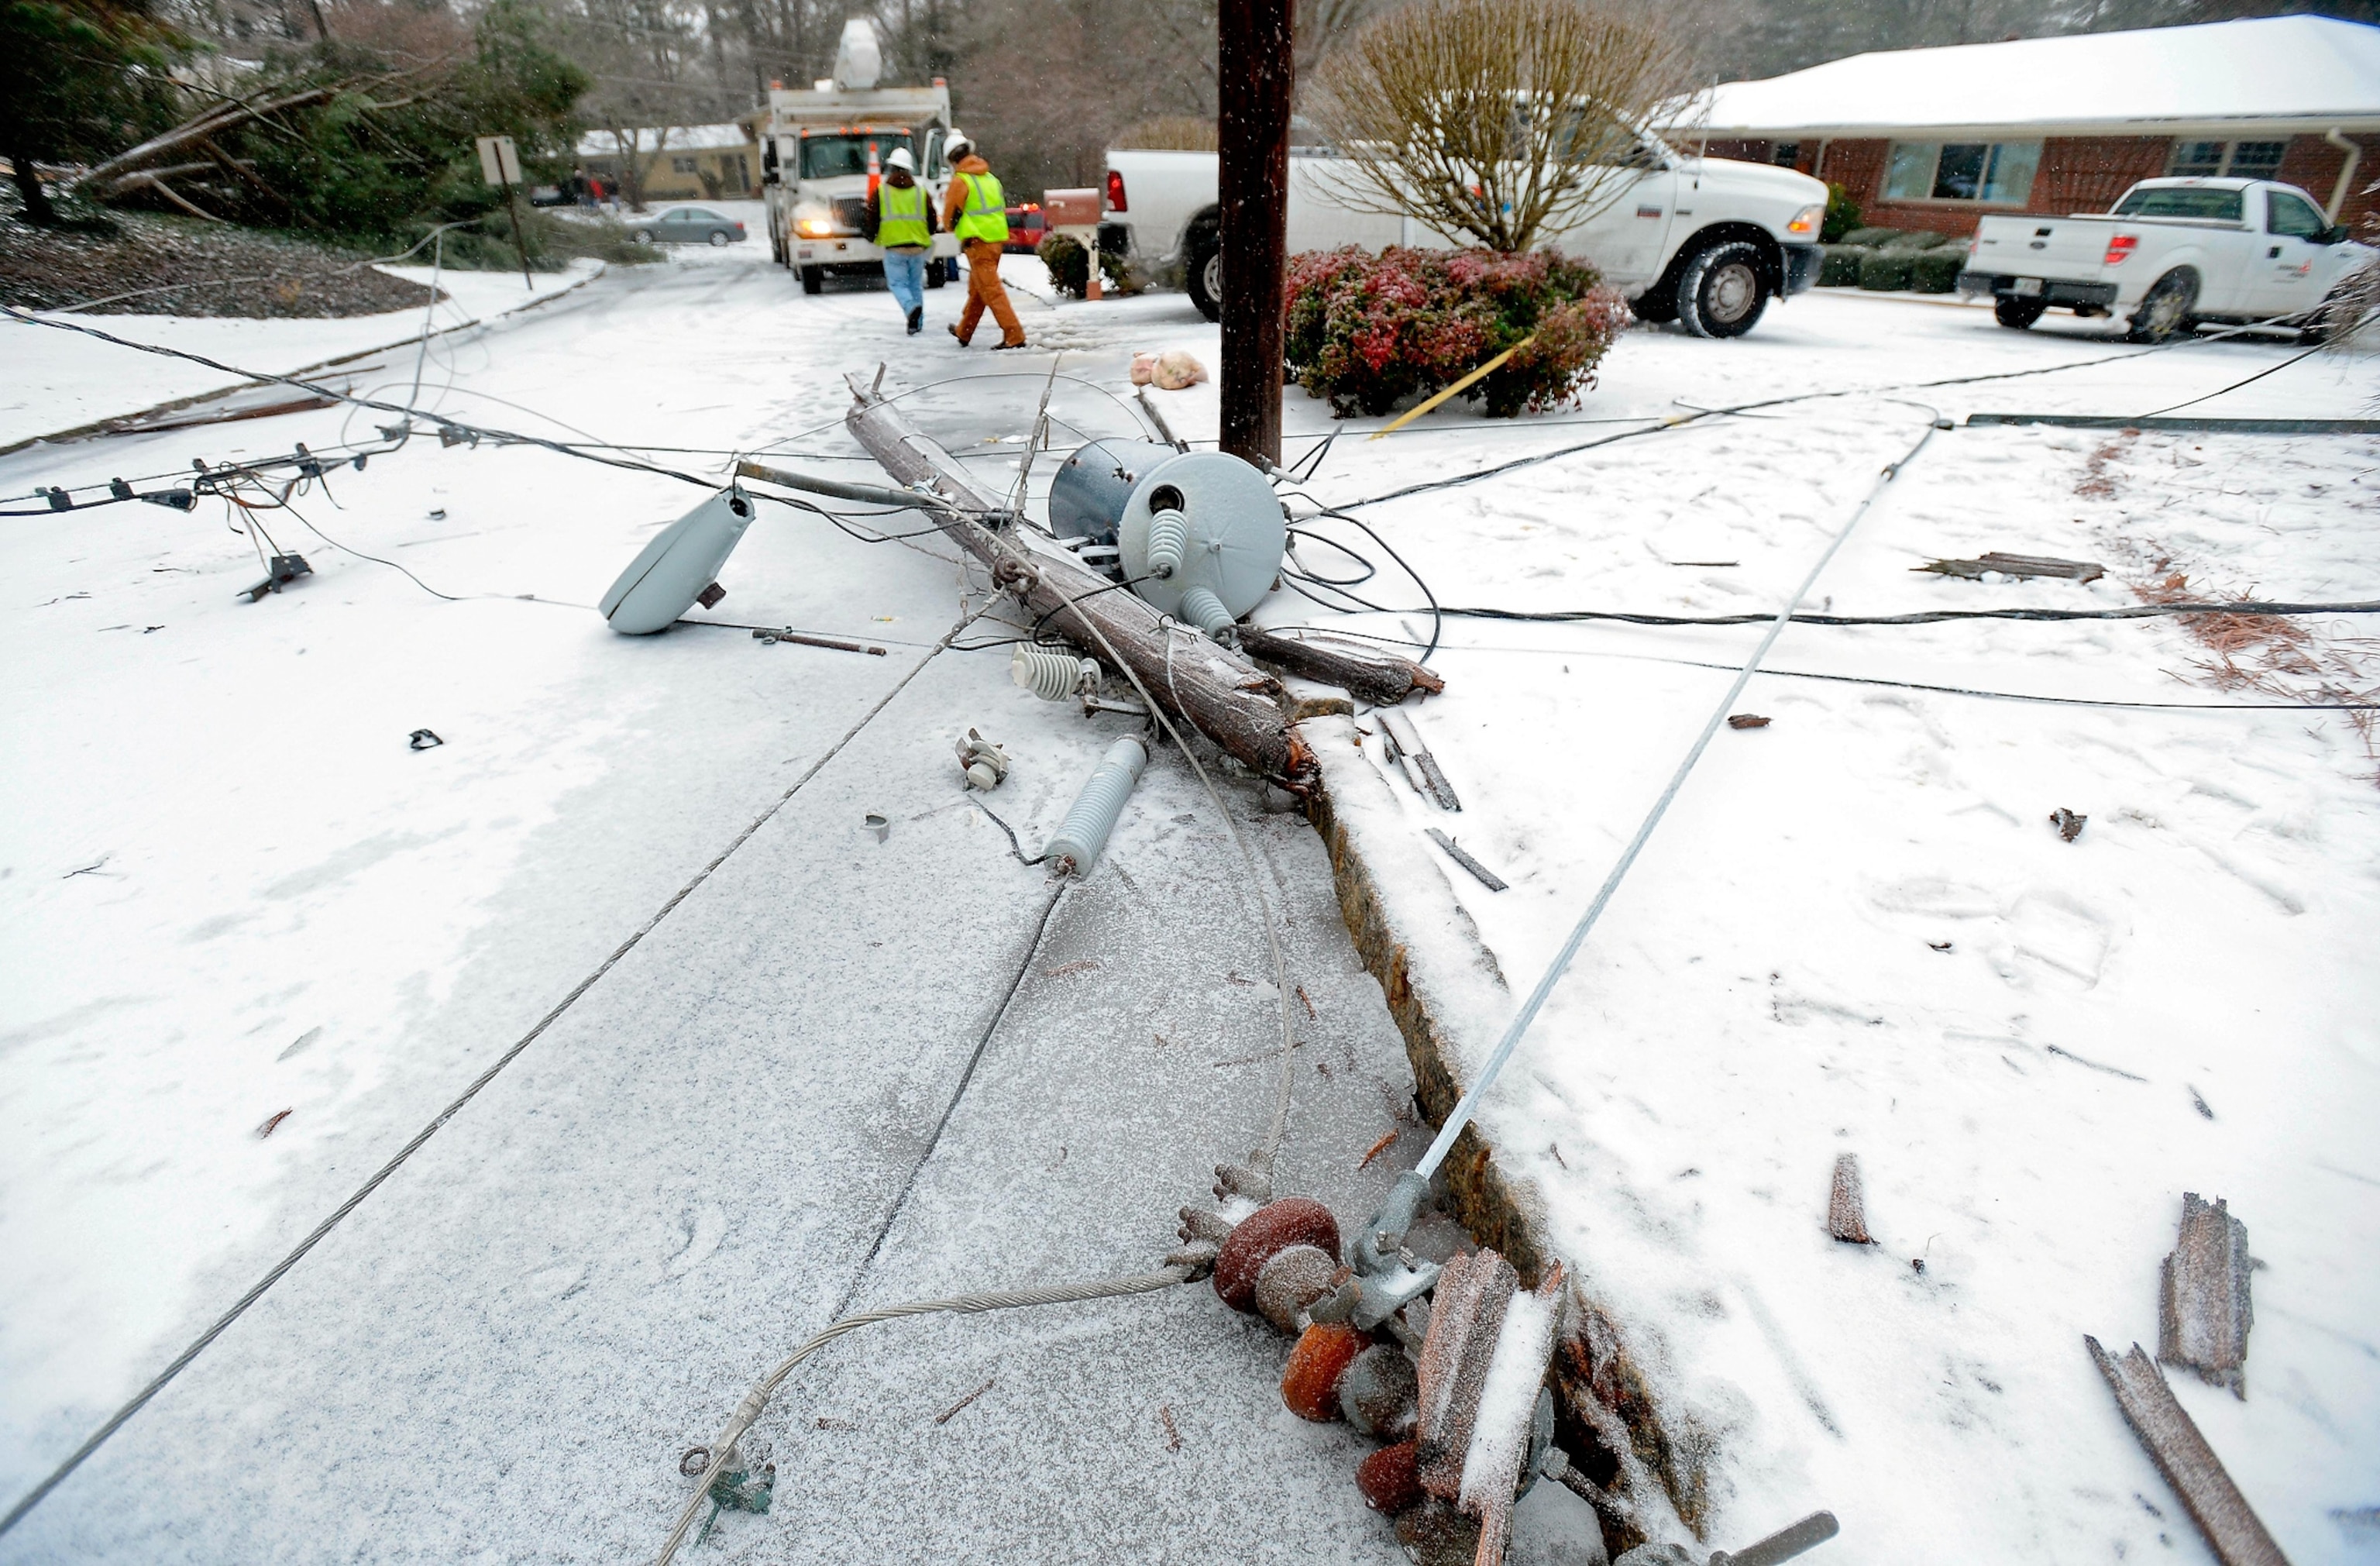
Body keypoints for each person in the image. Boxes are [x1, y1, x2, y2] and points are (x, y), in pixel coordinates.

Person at [938, 132, 1026, 350]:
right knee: (980, 290)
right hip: (996, 241)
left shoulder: (961, 181)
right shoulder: (990, 179)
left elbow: (949, 217)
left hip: (978, 243)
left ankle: (1014, 335)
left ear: (952, 159)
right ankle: (964, 332)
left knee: (992, 291)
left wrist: (953, 227)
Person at [863, 146, 937, 336]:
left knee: (897, 285)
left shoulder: (881, 192)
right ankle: (916, 323)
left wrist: (870, 236)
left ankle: (911, 308)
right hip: (918, 248)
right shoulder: (921, 192)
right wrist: (926, 234)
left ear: (891, 168)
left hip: (895, 248)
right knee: (915, 285)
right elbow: (932, 219)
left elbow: (872, 218)